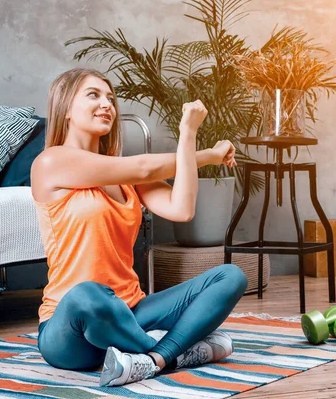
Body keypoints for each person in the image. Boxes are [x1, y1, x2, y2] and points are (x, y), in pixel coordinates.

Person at [30, 68, 248, 387]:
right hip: (70, 331)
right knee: (87, 295)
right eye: (93, 95)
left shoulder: (127, 178)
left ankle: (152, 361)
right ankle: (176, 352)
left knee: (230, 276)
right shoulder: (51, 163)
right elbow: (142, 166)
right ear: (65, 108)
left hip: (131, 314)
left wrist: (188, 136)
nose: (107, 104)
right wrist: (209, 155)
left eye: (110, 98)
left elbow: (182, 208)